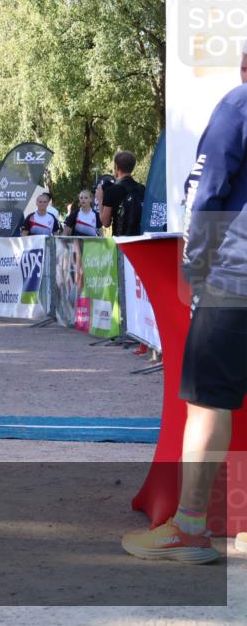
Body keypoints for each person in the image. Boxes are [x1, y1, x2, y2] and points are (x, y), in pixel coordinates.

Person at [121, 81, 247, 565]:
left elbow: (206, 192)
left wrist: (193, 269)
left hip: (233, 279)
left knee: (206, 403)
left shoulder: (238, 105)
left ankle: (191, 527)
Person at [100, 151, 145, 236]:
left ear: (116, 167)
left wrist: (100, 199)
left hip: (121, 241)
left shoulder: (111, 190)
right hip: (139, 239)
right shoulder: (142, 189)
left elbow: (105, 222)